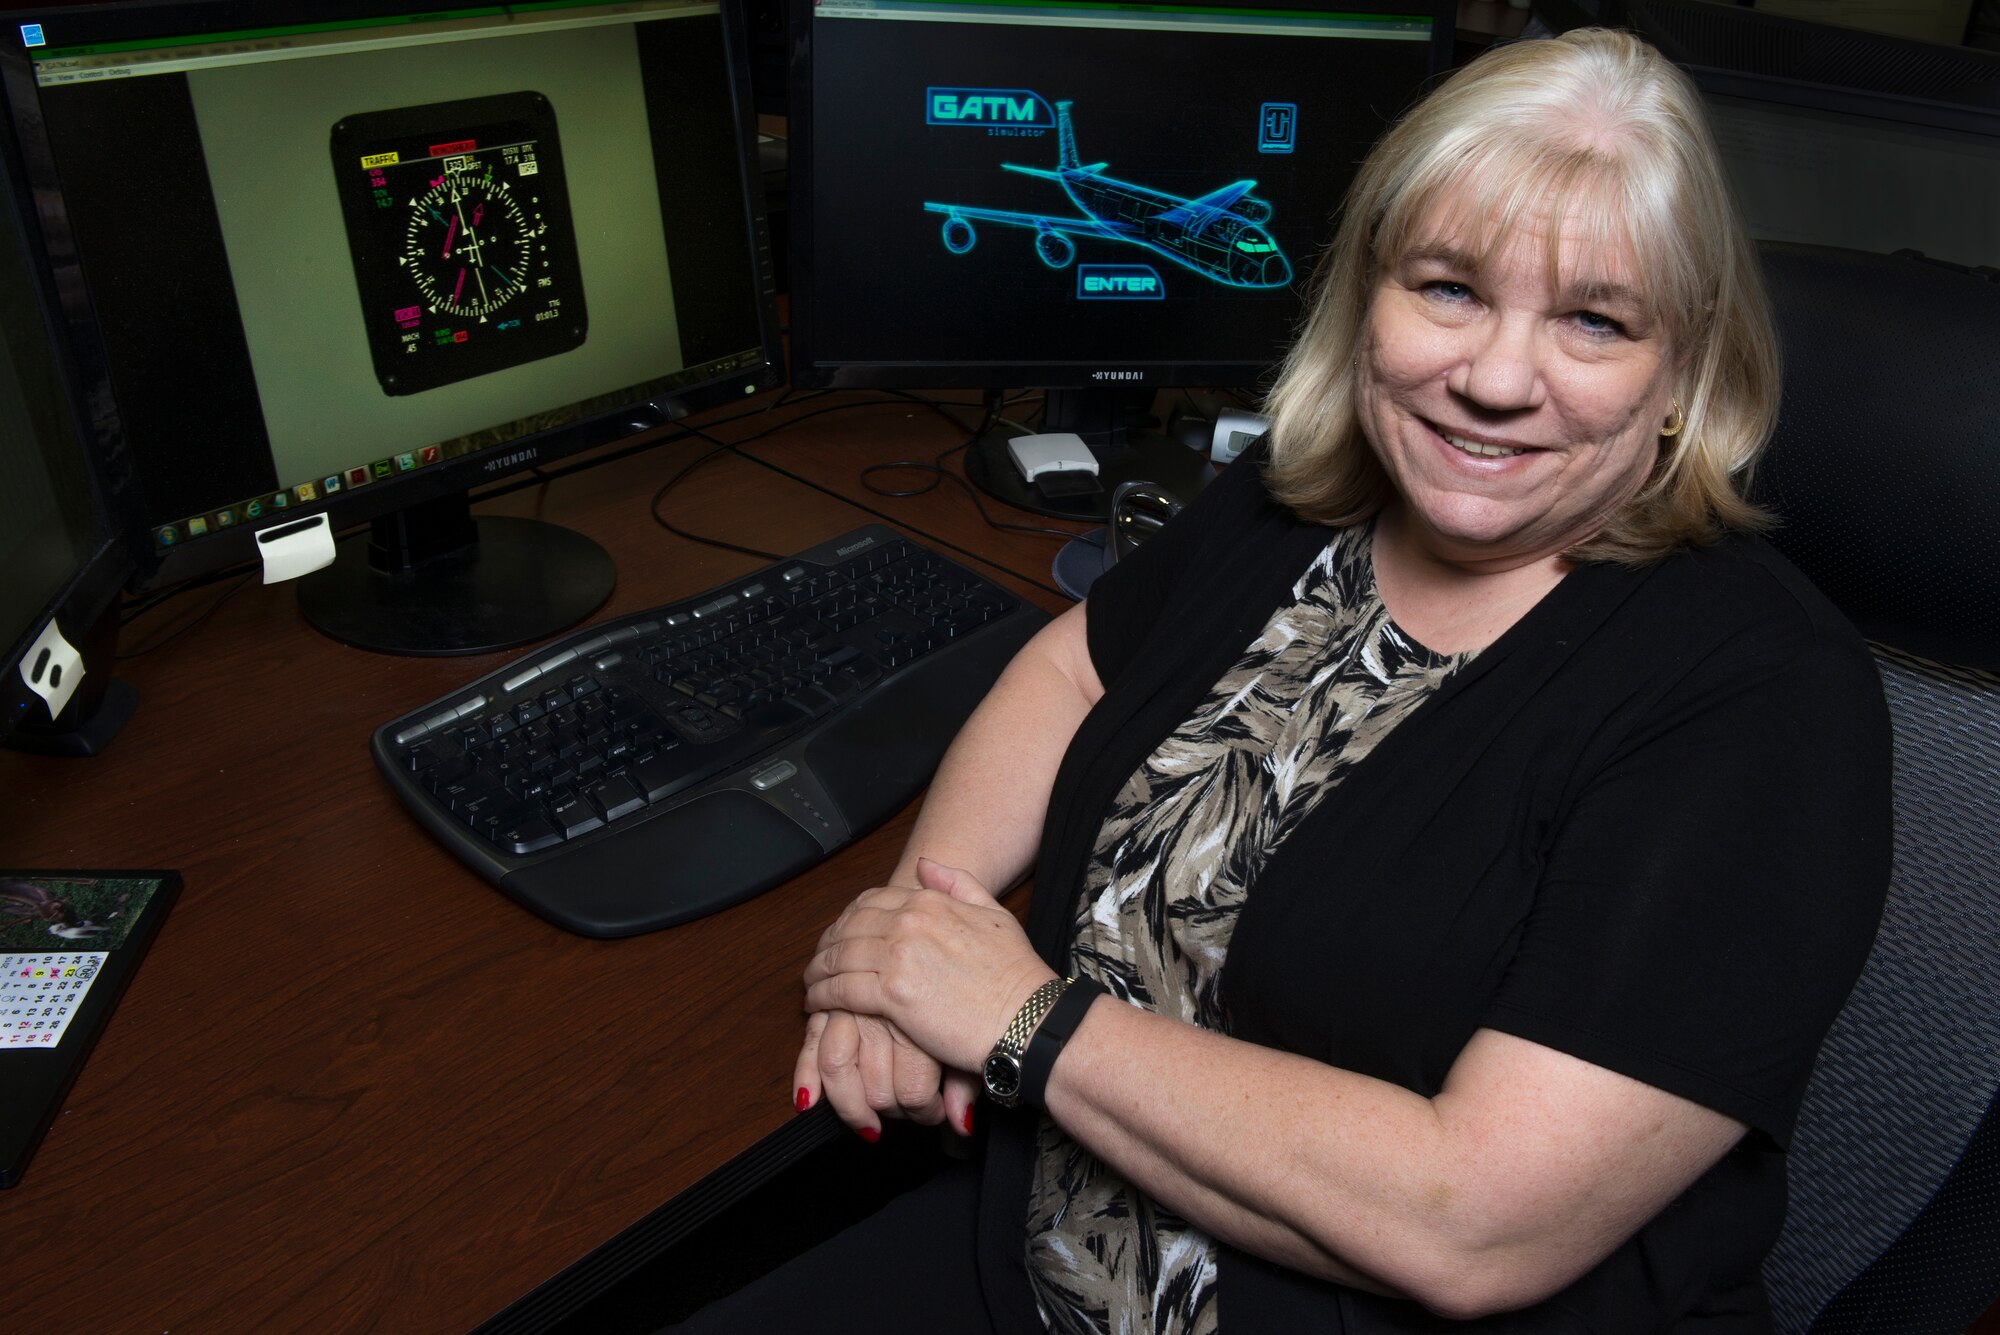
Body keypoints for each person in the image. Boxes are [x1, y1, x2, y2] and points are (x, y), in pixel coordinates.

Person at [674, 27, 1891, 1334]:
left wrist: (1017, 1015)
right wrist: (919, 942)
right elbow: (1071, 674)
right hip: (1043, 1253)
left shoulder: (1769, 708)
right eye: (1448, 289)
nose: (1490, 379)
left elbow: (1475, 1222)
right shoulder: (1297, 505)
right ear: (1368, 290)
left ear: (1683, 370)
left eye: (1595, 320)